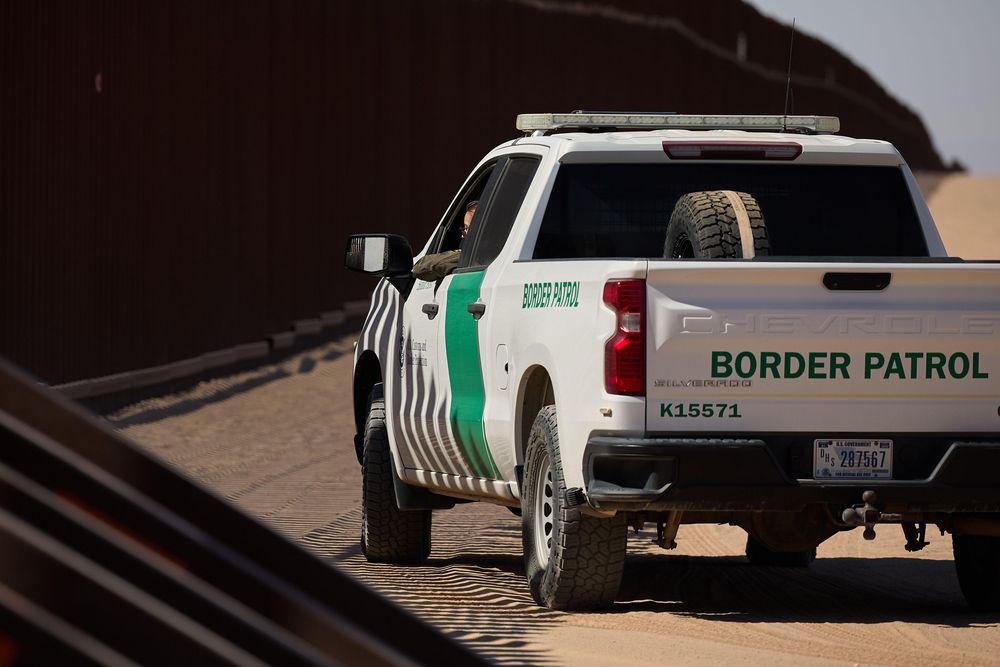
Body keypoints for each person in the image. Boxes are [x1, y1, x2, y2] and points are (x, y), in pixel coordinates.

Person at [412, 200, 477, 281]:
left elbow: (421, 267)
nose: (462, 236)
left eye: (466, 228)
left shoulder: (474, 256)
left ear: (479, 229)